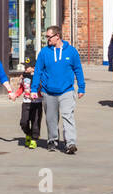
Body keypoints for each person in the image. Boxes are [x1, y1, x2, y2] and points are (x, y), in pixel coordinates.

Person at [32, 26, 85, 155]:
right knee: (51, 118)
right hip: (48, 91)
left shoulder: (71, 52)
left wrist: (81, 87)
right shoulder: (44, 52)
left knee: (68, 116)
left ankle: (70, 143)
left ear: (57, 36)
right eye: (46, 37)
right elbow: (38, 71)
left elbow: (78, 69)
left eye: (49, 37)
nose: (47, 39)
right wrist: (34, 88)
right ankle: (52, 140)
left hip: (66, 90)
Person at [9, 59, 42, 148]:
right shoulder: (24, 76)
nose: (25, 68)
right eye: (25, 66)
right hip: (26, 102)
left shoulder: (39, 76)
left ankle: (34, 139)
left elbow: (43, 88)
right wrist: (16, 95)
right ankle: (28, 134)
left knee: (35, 122)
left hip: (36, 103)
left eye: (28, 67)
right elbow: (22, 88)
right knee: (24, 122)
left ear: (34, 68)